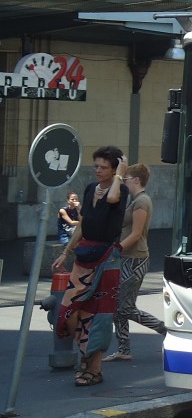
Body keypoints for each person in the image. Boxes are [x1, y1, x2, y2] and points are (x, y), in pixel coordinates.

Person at [51, 146, 129, 388]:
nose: (97, 170)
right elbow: (82, 225)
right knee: (68, 311)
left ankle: (92, 368)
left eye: (104, 167)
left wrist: (120, 174)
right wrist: (66, 252)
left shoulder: (121, 189)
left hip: (107, 258)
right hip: (84, 257)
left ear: (115, 169)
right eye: (96, 166)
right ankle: (87, 356)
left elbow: (113, 198)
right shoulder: (88, 189)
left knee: (100, 317)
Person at [103, 164, 166, 362]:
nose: (124, 181)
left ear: (136, 180)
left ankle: (164, 329)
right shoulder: (135, 200)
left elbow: (137, 233)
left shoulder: (142, 201)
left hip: (136, 259)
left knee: (125, 308)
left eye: (126, 178)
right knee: (118, 306)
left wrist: (116, 250)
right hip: (128, 258)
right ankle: (123, 348)